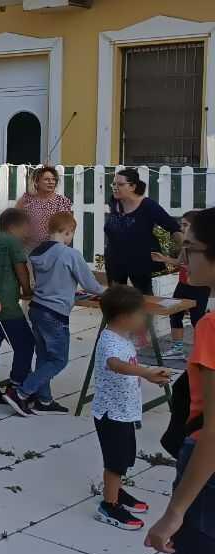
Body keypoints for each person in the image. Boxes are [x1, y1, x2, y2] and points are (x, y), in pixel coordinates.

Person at [147, 207, 215, 554]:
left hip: (207, 485)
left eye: (190, 250)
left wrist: (174, 514)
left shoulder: (212, 327)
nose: (183, 261)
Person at [4, 212, 105, 417]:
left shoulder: (37, 251)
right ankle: (21, 392)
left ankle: (44, 399)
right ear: (67, 231)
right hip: (56, 313)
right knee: (59, 360)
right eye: (71, 234)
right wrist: (109, 292)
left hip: (37, 308)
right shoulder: (69, 254)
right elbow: (89, 284)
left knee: (44, 356)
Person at [91, 285, 169, 530]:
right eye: (140, 314)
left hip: (123, 411)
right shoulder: (109, 342)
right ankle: (109, 505)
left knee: (123, 458)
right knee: (115, 462)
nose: (143, 318)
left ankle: (117, 492)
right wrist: (146, 372)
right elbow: (116, 365)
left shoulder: (121, 337)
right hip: (111, 414)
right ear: (124, 317)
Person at [0, 209, 36, 406]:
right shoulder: (13, 242)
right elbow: (21, 269)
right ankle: (16, 385)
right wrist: (27, 290)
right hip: (7, 305)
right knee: (25, 344)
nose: (28, 232)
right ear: (15, 226)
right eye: (27, 227)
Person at [106, 168, 182, 296]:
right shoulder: (114, 202)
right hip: (115, 262)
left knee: (144, 301)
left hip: (139, 263)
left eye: (120, 184)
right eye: (114, 184)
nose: (115, 187)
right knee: (114, 300)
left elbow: (173, 227)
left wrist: (182, 251)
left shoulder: (148, 206)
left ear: (133, 186)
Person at [153, 210, 210, 358]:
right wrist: (163, 259)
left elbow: (200, 268)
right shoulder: (186, 245)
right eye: (181, 224)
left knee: (197, 319)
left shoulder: (205, 246)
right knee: (175, 315)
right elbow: (180, 262)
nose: (182, 228)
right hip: (183, 285)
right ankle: (177, 349)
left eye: (185, 225)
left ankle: (202, 351)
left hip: (199, 288)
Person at [16, 166, 73, 247]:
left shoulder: (62, 201)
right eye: (47, 179)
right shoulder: (27, 200)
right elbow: (15, 221)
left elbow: (67, 227)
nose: (51, 182)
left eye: (53, 179)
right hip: (29, 247)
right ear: (37, 182)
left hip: (53, 247)